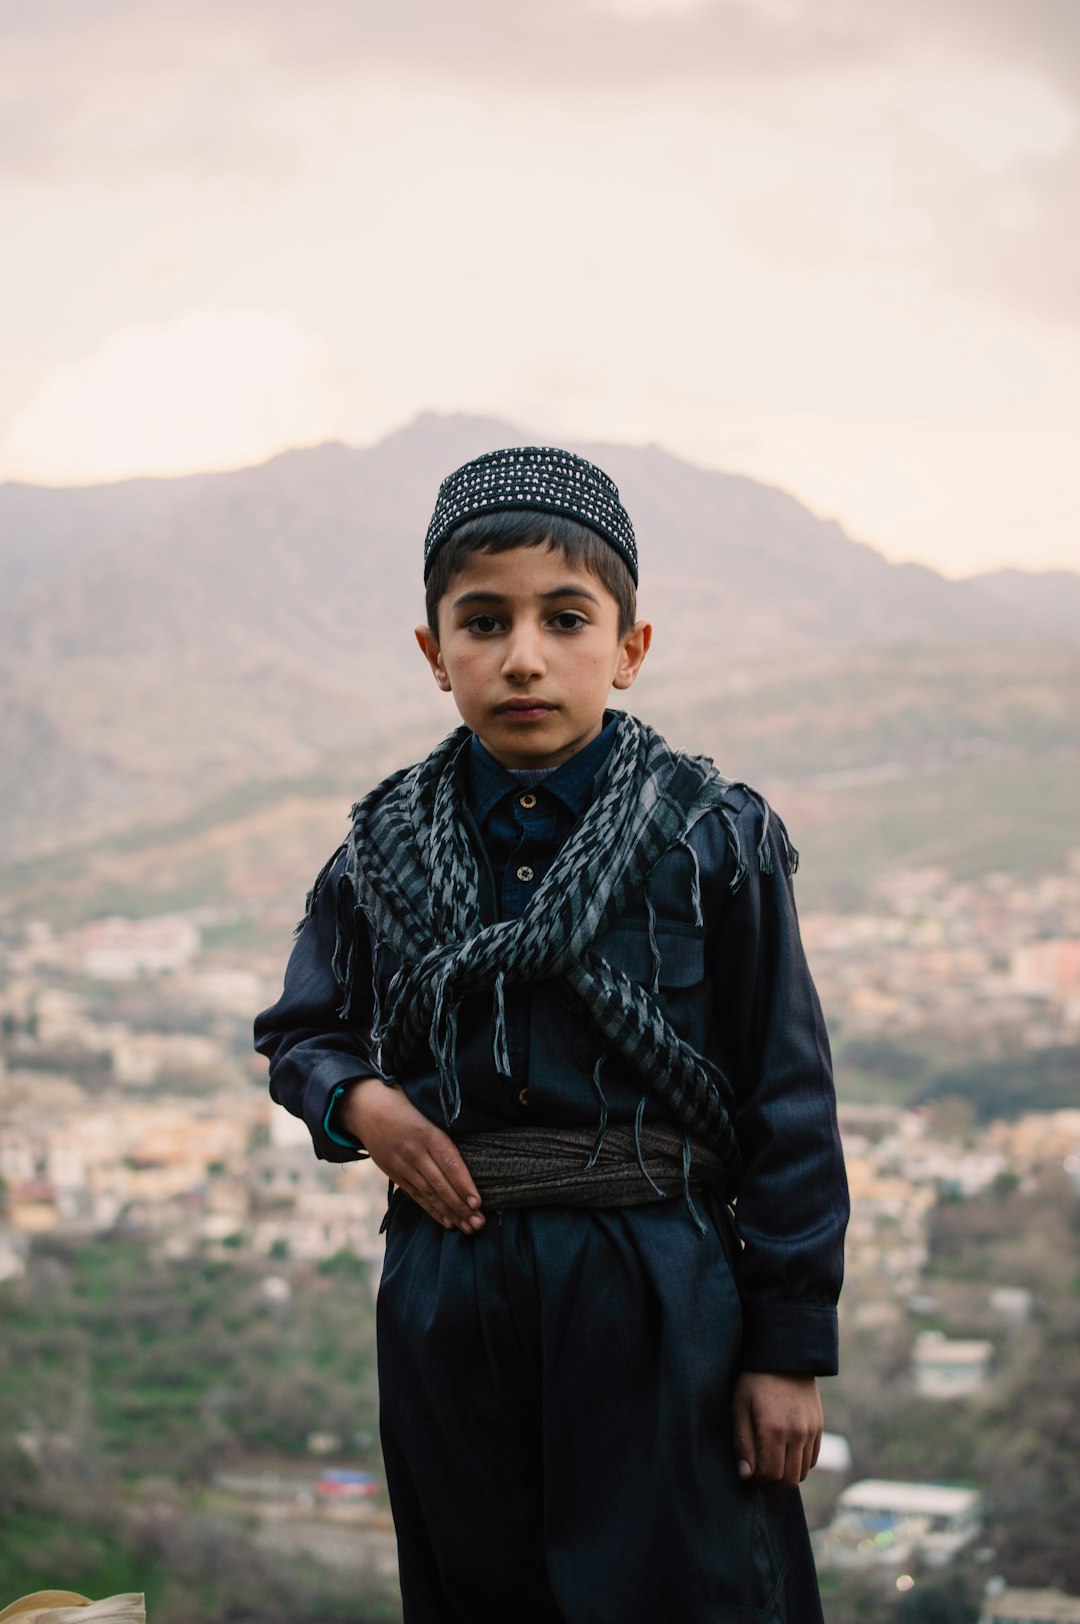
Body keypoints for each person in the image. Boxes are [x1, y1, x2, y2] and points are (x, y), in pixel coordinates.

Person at [254, 445, 849, 1623]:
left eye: (565, 618)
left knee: (692, 1589)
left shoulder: (715, 839)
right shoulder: (378, 851)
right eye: (484, 621)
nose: (523, 655)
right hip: (449, 1289)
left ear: (628, 648)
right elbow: (302, 1030)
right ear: (436, 654)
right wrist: (361, 1105)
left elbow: (789, 1101)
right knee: (482, 1590)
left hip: (661, 1291)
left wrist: (787, 1350)